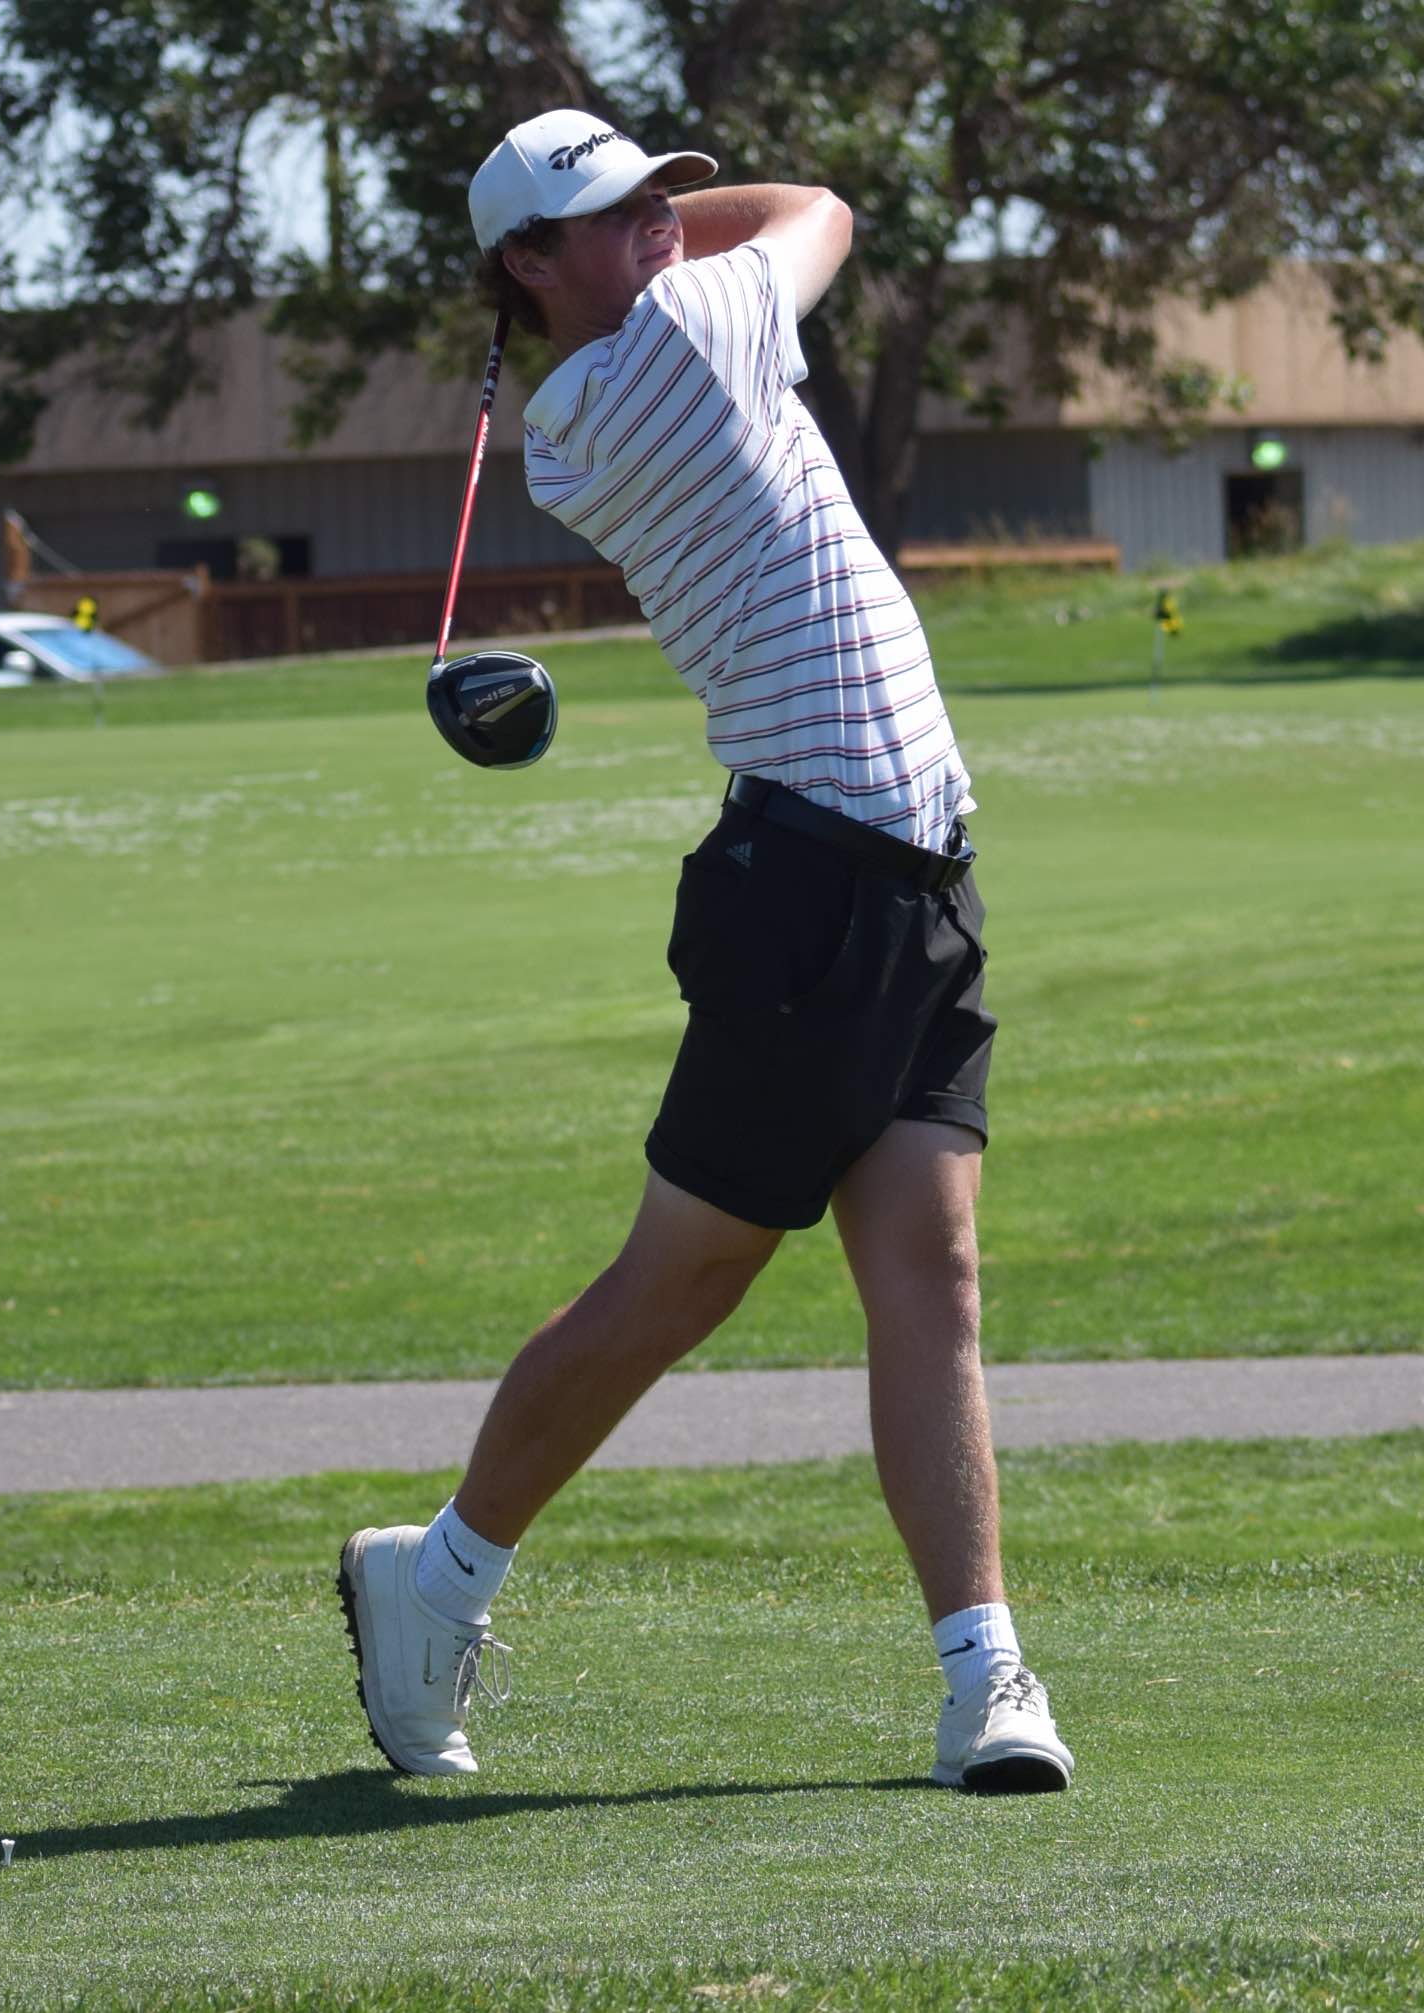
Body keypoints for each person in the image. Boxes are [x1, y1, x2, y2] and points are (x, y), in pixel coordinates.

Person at [339, 108, 1073, 1796]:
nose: (662, 227)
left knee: (931, 1273)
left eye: (664, 199)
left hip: (913, 879)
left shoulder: (598, 378)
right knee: (678, 1283)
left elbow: (733, 228)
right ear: (528, 265)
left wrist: (640, 211)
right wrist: (683, 227)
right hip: (807, 895)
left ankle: (982, 1676)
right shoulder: (670, 345)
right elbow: (820, 200)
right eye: (609, 215)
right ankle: (433, 1576)